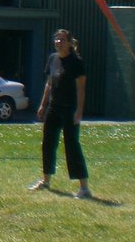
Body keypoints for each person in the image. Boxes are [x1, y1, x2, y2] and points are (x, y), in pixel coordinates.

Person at [29, 29, 91, 198]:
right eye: (56, 39)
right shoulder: (53, 59)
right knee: (48, 143)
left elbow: (81, 88)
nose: (58, 42)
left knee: (72, 145)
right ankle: (46, 180)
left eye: (62, 40)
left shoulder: (76, 62)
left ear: (69, 43)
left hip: (70, 109)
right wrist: (43, 105)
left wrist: (79, 111)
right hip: (54, 108)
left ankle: (84, 187)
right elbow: (49, 84)